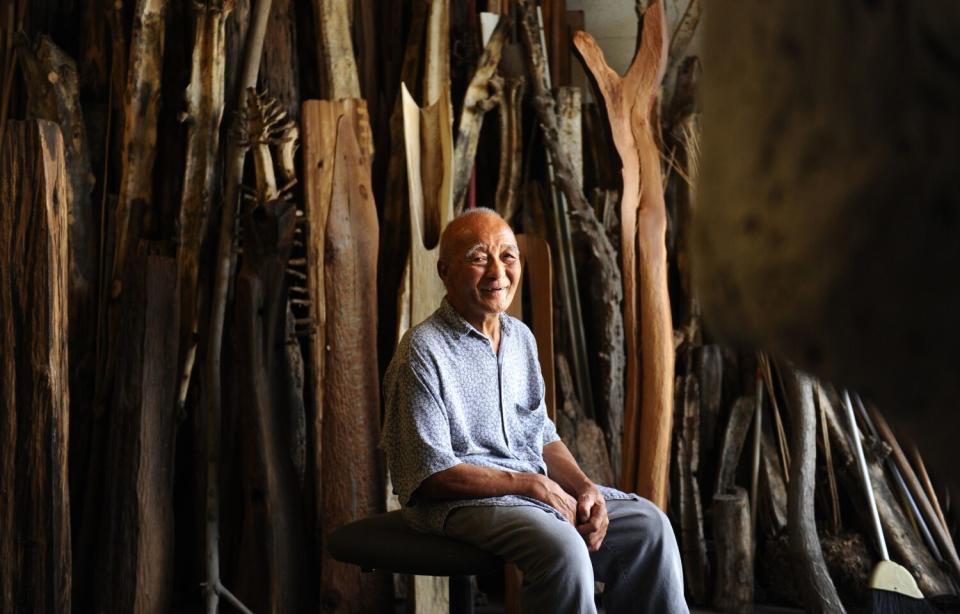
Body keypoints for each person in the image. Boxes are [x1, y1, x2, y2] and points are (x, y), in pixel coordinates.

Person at [381, 208, 688, 613]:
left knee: (650, 527)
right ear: (444, 270)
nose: (497, 272)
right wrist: (529, 485)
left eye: (508, 256)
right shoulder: (423, 349)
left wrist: (583, 487)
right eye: (478, 257)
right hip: (457, 505)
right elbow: (430, 474)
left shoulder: (519, 338)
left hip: (530, 494)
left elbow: (540, 434)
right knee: (564, 549)